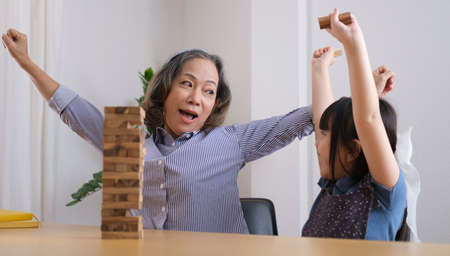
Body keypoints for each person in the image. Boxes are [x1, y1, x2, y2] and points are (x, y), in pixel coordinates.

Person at [2, 29, 314, 233]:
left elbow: (299, 121)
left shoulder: (230, 141)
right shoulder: (129, 142)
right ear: (166, 89)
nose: (196, 98)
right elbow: (75, 111)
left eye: (208, 91)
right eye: (187, 84)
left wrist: (361, 91)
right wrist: (26, 61)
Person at [302, 9, 407, 240]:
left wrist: (352, 43)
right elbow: (333, 120)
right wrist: (319, 70)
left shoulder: (384, 192)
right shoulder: (335, 184)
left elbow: (367, 120)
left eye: (325, 137)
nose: (317, 144)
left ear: (352, 150)